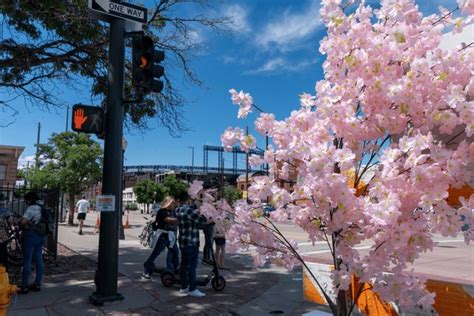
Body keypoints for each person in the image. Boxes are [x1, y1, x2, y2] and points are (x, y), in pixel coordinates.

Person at [176, 192, 209, 297]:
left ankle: (184, 287)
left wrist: (198, 201)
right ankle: (192, 289)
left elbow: (192, 212)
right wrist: (209, 215)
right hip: (191, 242)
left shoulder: (178, 209)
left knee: (184, 265)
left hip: (183, 242)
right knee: (192, 266)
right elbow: (202, 221)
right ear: (189, 199)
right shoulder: (189, 211)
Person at [142, 196, 179, 279]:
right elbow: (168, 220)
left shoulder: (171, 211)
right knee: (155, 253)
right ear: (168, 203)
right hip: (163, 236)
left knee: (175, 252)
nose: (174, 204)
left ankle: (175, 270)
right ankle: (146, 271)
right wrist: (178, 218)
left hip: (169, 235)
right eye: (173, 203)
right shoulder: (162, 211)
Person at [18, 191, 46, 294]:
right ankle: (37, 283)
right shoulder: (42, 207)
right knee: (39, 258)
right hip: (41, 236)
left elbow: (23, 221)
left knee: (27, 260)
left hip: (30, 235)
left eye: (27, 200)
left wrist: (20, 220)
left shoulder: (32, 208)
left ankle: (24, 286)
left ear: (31, 199)